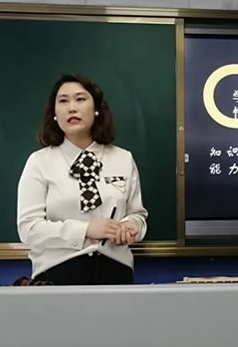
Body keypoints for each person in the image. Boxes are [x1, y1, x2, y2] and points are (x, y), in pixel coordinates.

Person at [17, 74, 147, 285]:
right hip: (58, 274)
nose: (72, 108)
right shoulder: (40, 162)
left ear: (96, 109)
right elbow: (29, 228)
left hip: (116, 273)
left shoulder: (123, 158)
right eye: (63, 101)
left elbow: (137, 214)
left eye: (80, 99)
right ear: (54, 114)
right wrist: (86, 230)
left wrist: (130, 227)